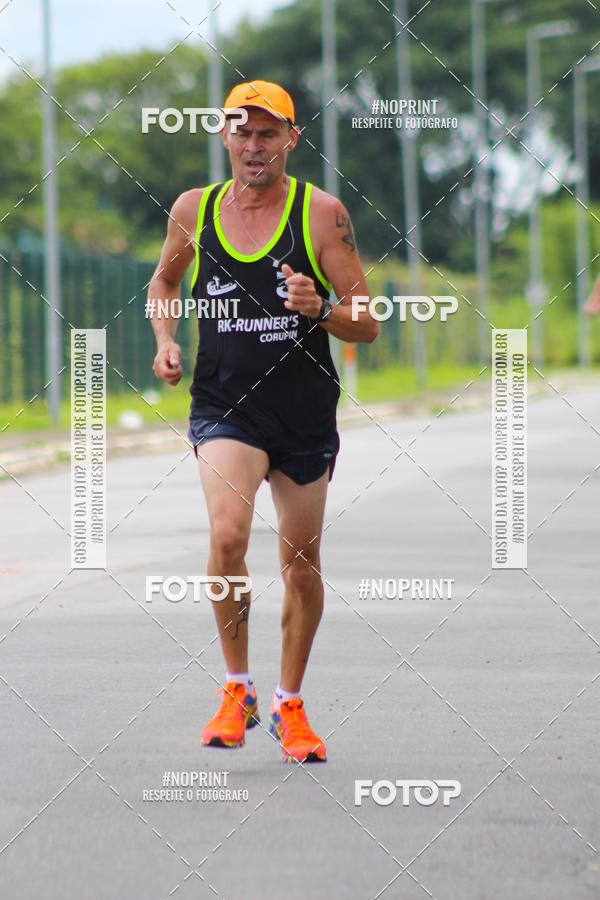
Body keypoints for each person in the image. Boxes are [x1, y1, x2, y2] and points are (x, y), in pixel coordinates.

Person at [148, 80, 378, 763]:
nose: (254, 146)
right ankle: (236, 686)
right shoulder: (194, 210)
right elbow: (164, 282)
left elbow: (366, 323)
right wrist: (166, 340)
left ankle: (290, 703)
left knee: (300, 567)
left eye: (267, 133)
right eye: (241, 132)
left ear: (291, 140)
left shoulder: (321, 215)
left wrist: (319, 310)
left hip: (304, 412)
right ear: (224, 136)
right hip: (225, 406)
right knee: (227, 536)